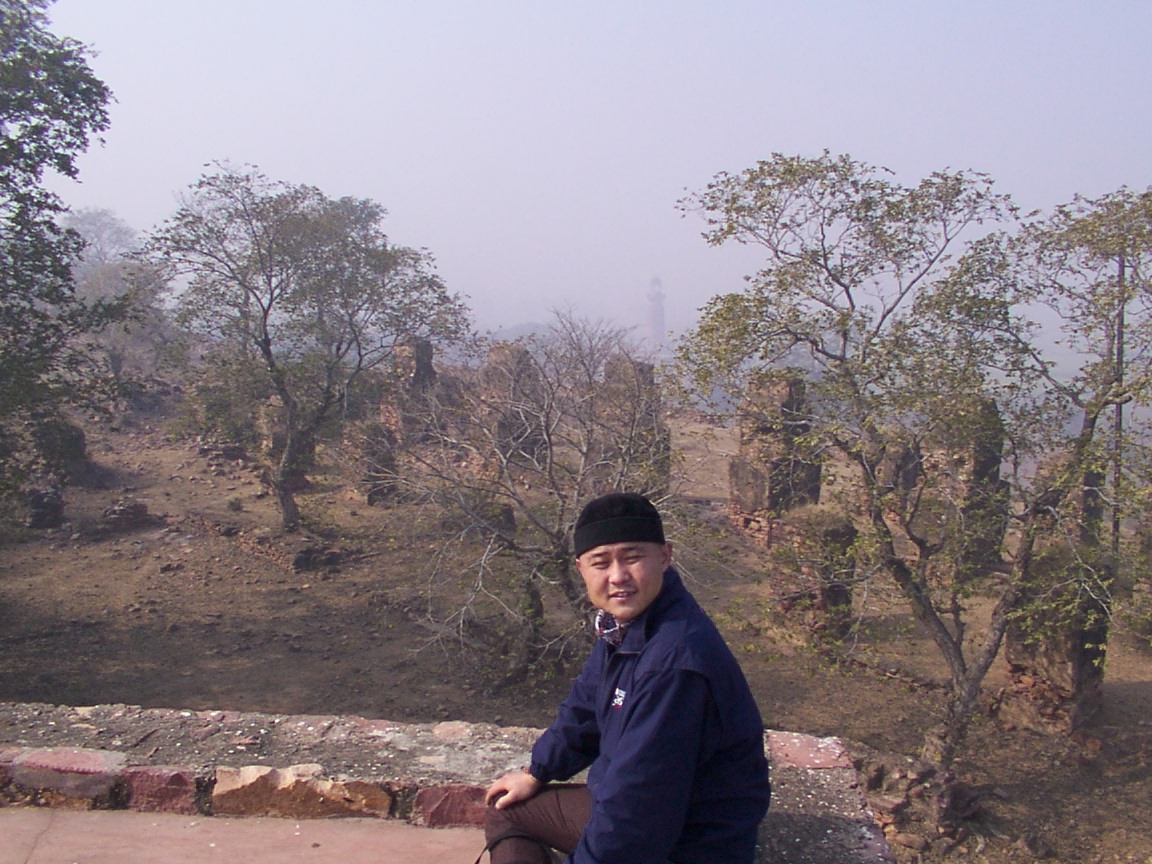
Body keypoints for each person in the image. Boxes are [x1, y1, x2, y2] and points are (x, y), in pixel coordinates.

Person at [483, 492, 771, 864]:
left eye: (633, 557)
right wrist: (538, 771)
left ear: (665, 557)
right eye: (601, 563)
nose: (618, 576)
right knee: (506, 806)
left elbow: (637, 813)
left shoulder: (673, 664)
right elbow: (584, 710)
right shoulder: (628, 625)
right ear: (581, 569)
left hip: (691, 841)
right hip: (644, 812)